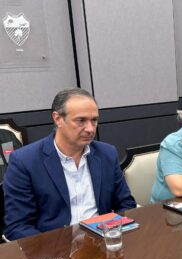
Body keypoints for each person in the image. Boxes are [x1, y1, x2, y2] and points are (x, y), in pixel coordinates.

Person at [3, 88, 136, 241]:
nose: (90, 129)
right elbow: (18, 227)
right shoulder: (25, 161)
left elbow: (125, 204)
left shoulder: (107, 154)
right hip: (54, 248)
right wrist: (55, 251)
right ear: (58, 119)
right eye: (81, 120)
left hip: (102, 243)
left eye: (94, 120)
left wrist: (112, 235)